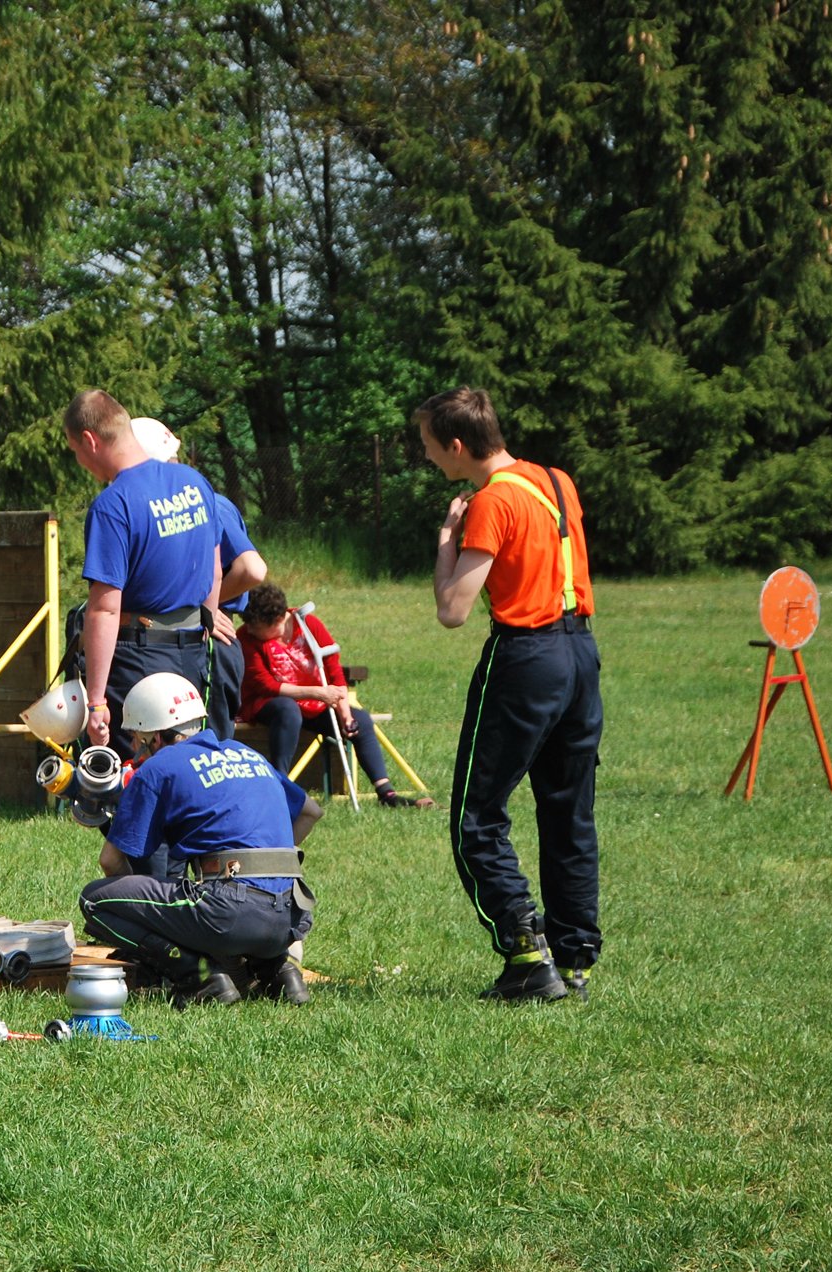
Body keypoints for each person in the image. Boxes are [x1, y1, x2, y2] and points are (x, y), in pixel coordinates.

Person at [417, 386, 601, 1003]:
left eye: (429, 446)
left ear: (457, 445)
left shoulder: (491, 501)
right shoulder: (555, 481)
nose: (427, 457)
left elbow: (453, 609)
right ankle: (574, 959)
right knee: (568, 812)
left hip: (526, 658)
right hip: (580, 654)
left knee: (476, 817)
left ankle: (526, 954)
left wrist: (448, 542)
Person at [77, 672, 322, 1007]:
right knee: (228, 902)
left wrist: (154, 926)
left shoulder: (158, 767)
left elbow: (111, 861)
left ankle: (197, 975)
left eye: (136, 737)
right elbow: (310, 812)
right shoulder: (247, 753)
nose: (134, 746)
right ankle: (278, 971)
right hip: (291, 918)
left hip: (229, 913)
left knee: (94, 900)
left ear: (156, 736)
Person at [64, 391, 225, 757]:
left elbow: (105, 609)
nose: (79, 461)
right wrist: (203, 628)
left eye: (75, 450)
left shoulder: (113, 505)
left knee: (136, 777)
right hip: (193, 655)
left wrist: (96, 702)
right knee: (187, 768)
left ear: (90, 440)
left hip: (138, 661)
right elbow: (215, 572)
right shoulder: (194, 482)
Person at [129, 416, 267, 737]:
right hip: (185, 641)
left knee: (207, 744)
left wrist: (204, 609)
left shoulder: (205, 504)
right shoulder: (178, 504)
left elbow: (252, 569)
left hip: (209, 641)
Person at [238, 582, 433, 809]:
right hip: (271, 704)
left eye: (254, 625)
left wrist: (346, 715)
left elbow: (333, 670)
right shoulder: (246, 638)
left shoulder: (308, 624)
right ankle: (279, 787)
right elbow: (266, 685)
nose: (248, 629)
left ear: (278, 620)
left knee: (361, 720)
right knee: (287, 709)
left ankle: (386, 793)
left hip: (317, 703)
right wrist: (317, 692)